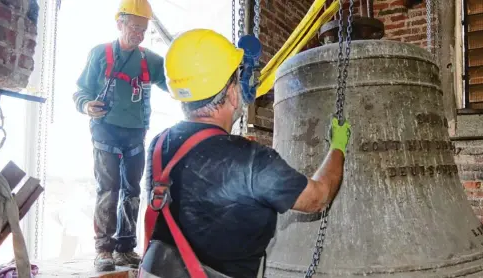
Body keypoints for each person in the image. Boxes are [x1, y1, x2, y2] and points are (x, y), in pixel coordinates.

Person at [138, 29, 351, 278]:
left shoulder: (159, 144)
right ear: (231, 93)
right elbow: (318, 197)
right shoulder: (253, 160)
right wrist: (338, 147)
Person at [71, 0, 168, 272]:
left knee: (132, 190)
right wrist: (86, 105)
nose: (138, 34)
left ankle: (125, 248)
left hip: (135, 134)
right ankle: (104, 248)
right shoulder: (100, 54)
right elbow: (80, 90)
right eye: (134, 27)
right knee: (108, 188)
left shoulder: (150, 60)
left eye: (143, 29)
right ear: (119, 23)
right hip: (105, 131)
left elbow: (174, 81)